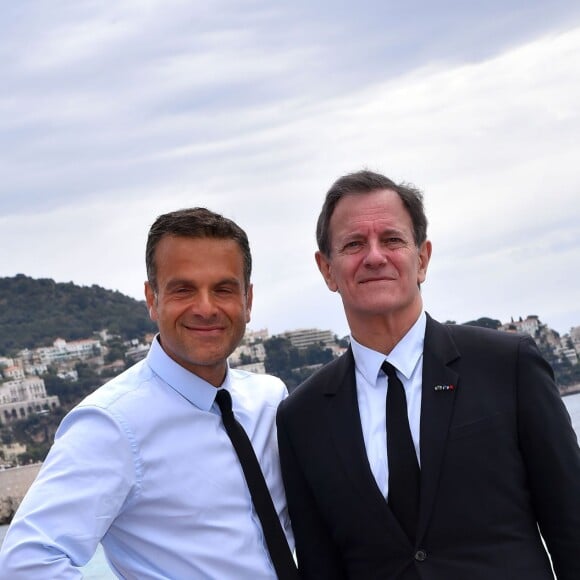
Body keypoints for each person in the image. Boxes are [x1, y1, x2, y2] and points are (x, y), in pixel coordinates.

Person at [276, 170, 580, 580]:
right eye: (353, 244)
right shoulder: (302, 417)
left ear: (422, 258)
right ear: (327, 269)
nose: (374, 256)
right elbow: (319, 566)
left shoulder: (508, 365)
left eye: (392, 239)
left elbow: (571, 524)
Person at [0, 207, 295, 579]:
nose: (205, 308)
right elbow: (26, 563)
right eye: (183, 289)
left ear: (247, 300)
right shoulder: (110, 425)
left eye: (223, 289)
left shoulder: (271, 399)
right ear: (152, 299)